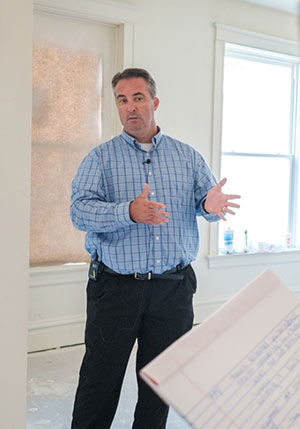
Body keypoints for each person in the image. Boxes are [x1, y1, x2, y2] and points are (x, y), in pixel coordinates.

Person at [70, 67, 240, 429]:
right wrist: (128, 211)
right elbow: (79, 211)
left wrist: (210, 206)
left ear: (154, 102)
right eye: (122, 100)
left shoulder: (188, 157)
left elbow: (205, 202)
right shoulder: (100, 159)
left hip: (172, 290)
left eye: (138, 98)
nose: (130, 107)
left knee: (160, 383)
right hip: (115, 288)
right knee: (100, 380)